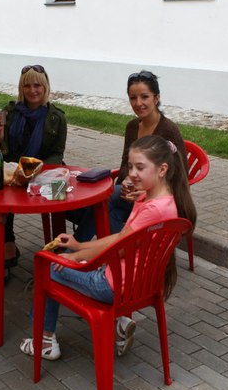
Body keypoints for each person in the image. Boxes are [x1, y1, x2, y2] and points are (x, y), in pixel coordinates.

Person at [20, 134, 197, 360]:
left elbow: (118, 247)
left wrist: (75, 256)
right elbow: (121, 238)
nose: (132, 173)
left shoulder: (152, 209)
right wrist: (79, 246)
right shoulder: (163, 200)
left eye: (140, 167)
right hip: (139, 284)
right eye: (131, 166)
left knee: (48, 267)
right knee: (69, 256)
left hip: (113, 286)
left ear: (162, 170)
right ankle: (120, 321)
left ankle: (44, 342)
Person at [71, 70, 188, 241]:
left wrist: (145, 191)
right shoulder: (132, 127)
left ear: (156, 98)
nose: (138, 103)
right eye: (133, 98)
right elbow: (126, 164)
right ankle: (85, 250)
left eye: (144, 97)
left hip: (158, 202)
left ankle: (74, 249)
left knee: (104, 203)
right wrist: (126, 180)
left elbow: (181, 177)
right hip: (132, 196)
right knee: (105, 208)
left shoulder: (168, 130)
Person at [0, 64, 67, 269]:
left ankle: (59, 246)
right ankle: (7, 243)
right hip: (13, 171)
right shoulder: (9, 112)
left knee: (61, 197)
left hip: (44, 172)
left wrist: (37, 168)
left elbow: (58, 153)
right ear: (21, 88)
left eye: (37, 85)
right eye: (27, 86)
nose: (32, 90)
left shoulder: (57, 117)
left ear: (45, 87)